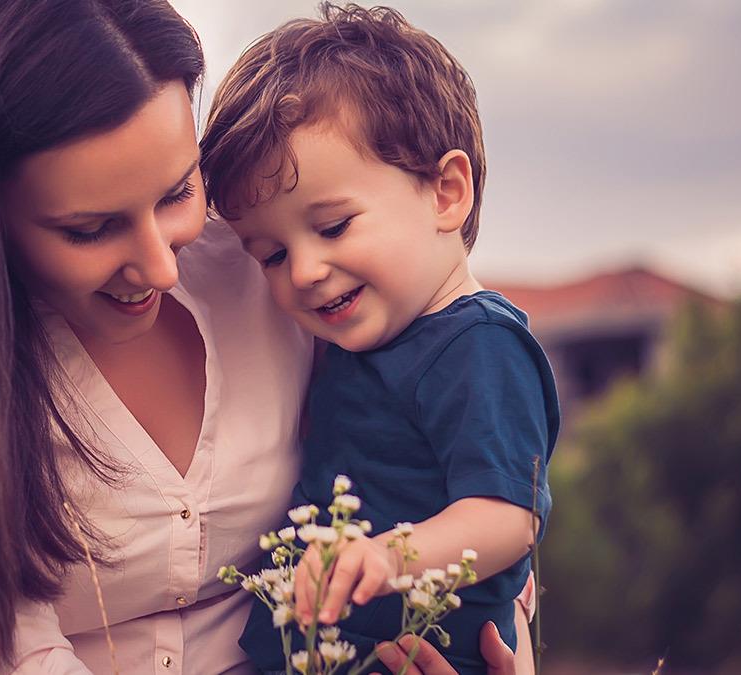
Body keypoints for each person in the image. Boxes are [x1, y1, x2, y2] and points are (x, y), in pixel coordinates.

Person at [0, 0, 535, 672]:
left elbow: (460, 468)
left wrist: (506, 644)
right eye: (90, 227)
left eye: (178, 192)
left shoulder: (268, 251)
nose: (163, 265)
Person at [199, 5, 558, 674]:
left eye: (332, 227)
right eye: (272, 254)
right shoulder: (362, 342)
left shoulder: (480, 343)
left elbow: (510, 516)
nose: (304, 270)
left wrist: (389, 555)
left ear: (446, 193)